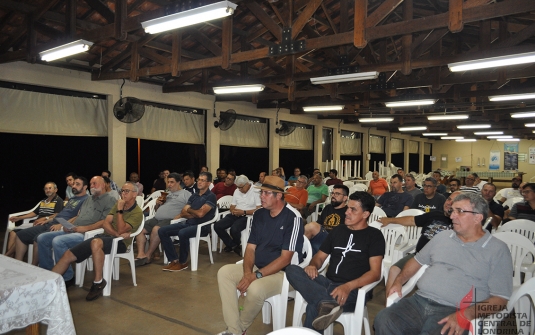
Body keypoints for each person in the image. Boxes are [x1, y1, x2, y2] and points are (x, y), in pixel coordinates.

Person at [375, 192, 513, 335]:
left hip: (456, 310)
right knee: (384, 319)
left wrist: (467, 315)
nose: (452, 216)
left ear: (478, 217)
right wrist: (398, 281)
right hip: (418, 301)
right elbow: (417, 261)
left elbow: (501, 299)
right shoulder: (443, 237)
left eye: (459, 211)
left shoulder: (497, 250)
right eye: (453, 211)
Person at [216, 175, 304, 335]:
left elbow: (286, 258)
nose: (261, 196)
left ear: (279, 196)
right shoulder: (259, 215)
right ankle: (234, 329)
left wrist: (254, 276)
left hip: (285, 273)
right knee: (224, 273)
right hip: (258, 267)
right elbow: (250, 248)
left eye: (266, 193)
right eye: (261, 192)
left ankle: (238, 329)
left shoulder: (293, 218)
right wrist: (248, 273)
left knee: (255, 289)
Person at [286, 191, 384, 331]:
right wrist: (313, 265)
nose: (347, 212)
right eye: (347, 208)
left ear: (365, 214)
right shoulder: (338, 231)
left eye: (353, 209)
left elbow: (375, 273)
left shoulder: (374, 236)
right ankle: (325, 301)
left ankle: (323, 302)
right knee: (292, 269)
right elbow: (320, 257)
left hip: (354, 291)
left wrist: (348, 286)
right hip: (328, 284)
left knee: (314, 306)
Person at [52, 181, 143, 301]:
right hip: (107, 237)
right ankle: (49, 283)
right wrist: (116, 233)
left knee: (95, 242)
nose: (123, 194)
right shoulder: (118, 204)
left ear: (134, 194)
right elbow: (106, 223)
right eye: (122, 191)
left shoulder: (137, 213)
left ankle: (98, 282)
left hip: (121, 243)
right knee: (68, 254)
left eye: (127, 191)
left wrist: (120, 211)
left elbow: (121, 228)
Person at [37, 176, 116, 283]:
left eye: (95, 183)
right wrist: (67, 225)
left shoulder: (110, 200)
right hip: (75, 229)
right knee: (42, 238)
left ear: (103, 185)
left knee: (58, 241)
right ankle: (49, 273)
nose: (92, 186)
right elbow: (78, 217)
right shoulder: (88, 199)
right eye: (91, 183)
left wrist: (85, 228)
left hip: (89, 234)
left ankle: (67, 277)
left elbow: (105, 222)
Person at [379, 191, 462, 294]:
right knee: (394, 270)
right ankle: (389, 305)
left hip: (439, 261)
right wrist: (390, 220)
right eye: (449, 199)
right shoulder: (435, 214)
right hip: (418, 255)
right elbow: (411, 220)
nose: (449, 202)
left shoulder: (460, 223)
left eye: (454, 201)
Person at [158, 172, 217, 271]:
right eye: (199, 179)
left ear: (208, 183)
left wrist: (190, 210)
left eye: (203, 180)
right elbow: (183, 212)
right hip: (189, 223)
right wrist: (194, 212)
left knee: (183, 233)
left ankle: (183, 262)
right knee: (162, 230)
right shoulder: (194, 196)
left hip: (202, 227)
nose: (199, 182)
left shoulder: (211, 196)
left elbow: (201, 214)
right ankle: (174, 260)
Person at [134, 172, 190, 266]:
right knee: (139, 229)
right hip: (156, 218)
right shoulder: (167, 194)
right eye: (168, 182)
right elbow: (156, 210)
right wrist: (157, 204)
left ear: (179, 182)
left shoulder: (186, 194)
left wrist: (180, 215)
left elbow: (189, 209)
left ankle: (148, 255)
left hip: (171, 220)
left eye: (172, 182)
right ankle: (141, 254)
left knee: (156, 229)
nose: (169, 184)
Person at [5, 182, 64, 257]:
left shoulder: (58, 200)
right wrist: (19, 218)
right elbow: (34, 213)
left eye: (50, 188)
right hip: (37, 223)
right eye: (46, 189)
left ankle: (7, 256)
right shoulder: (43, 200)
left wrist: (45, 218)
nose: (48, 190)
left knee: (20, 235)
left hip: (45, 224)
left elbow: (57, 214)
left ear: (56, 190)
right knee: (13, 233)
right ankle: (10, 256)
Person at [214, 175, 261, 255]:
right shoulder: (237, 191)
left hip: (248, 216)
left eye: (241, 187)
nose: (239, 189)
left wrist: (244, 212)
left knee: (234, 229)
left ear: (247, 184)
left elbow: (259, 209)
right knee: (217, 226)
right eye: (238, 187)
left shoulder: (256, 191)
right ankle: (234, 245)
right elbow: (232, 205)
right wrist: (233, 210)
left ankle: (233, 245)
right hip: (236, 214)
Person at [305, 184, 349, 254]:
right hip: (321, 237)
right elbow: (319, 223)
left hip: (335, 240)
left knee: (312, 226)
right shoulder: (328, 207)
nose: (333, 196)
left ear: (345, 198)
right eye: (333, 193)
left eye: (337, 194)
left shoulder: (348, 212)